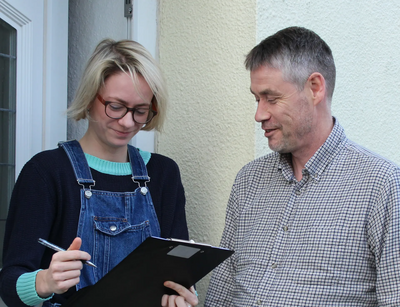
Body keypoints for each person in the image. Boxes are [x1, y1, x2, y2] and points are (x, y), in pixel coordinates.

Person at [205, 26, 400, 306]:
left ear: (315, 88)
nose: (259, 114)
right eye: (256, 99)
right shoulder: (249, 180)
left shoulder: (382, 184)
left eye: (271, 98)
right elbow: (222, 290)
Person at [0, 39, 198, 307]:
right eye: (115, 106)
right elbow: (9, 286)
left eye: (140, 111)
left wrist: (182, 295)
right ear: (90, 96)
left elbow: (178, 271)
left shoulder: (163, 174)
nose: (128, 122)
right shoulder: (45, 172)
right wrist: (44, 281)